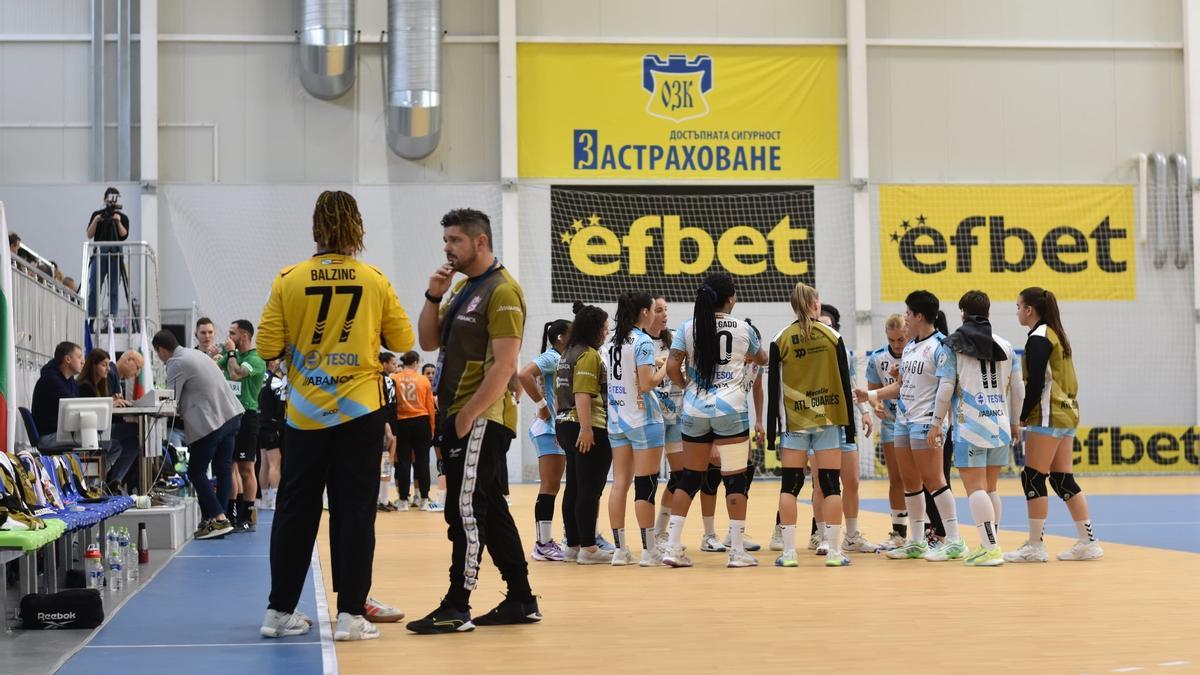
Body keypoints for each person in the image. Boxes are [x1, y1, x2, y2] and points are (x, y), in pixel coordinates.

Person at [257, 191, 413, 641]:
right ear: (357, 228)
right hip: (360, 411)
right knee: (356, 511)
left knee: (295, 510)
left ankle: (279, 611)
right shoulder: (373, 278)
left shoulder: (289, 278)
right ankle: (350, 616)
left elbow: (267, 347)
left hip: (305, 415)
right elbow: (402, 338)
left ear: (316, 227)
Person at [407, 207, 538, 634]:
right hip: (459, 416)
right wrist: (432, 295)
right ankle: (521, 598)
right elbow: (428, 341)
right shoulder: (462, 288)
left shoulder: (503, 291)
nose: (447, 248)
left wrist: (465, 417)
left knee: (463, 510)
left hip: (482, 417)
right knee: (490, 509)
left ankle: (456, 605)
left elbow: (505, 366)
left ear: (480, 242)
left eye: (455, 240)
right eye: (446, 241)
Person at [662, 273, 767, 569]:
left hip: (694, 411)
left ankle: (672, 547)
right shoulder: (744, 329)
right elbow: (762, 359)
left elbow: (672, 366)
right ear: (731, 297)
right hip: (730, 411)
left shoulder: (688, 327)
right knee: (735, 479)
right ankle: (736, 552)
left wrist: (687, 386)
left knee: (689, 478)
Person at [857, 290, 967, 561]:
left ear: (919, 316)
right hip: (904, 422)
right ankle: (916, 541)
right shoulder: (910, 346)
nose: (905, 317)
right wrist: (871, 396)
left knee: (934, 480)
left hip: (926, 421)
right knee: (910, 481)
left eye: (908, 313)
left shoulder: (941, 346)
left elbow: (947, 387)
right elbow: (901, 385)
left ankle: (955, 540)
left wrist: (937, 424)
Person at [1007, 287, 1102, 563]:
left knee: (1033, 476)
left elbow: (1035, 383)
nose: (1017, 312)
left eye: (1018, 307)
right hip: (1068, 413)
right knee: (1062, 479)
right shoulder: (1057, 334)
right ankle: (1088, 542)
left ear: (1029, 310)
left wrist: (1021, 415)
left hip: (1048, 415)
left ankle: (1035, 546)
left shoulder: (1039, 337)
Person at [765, 284, 857, 568]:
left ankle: (789, 553)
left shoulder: (781, 338)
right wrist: (849, 426)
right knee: (830, 486)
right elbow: (844, 381)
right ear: (816, 304)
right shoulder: (832, 336)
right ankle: (833, 552)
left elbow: (772, 388)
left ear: (794, 306)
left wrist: (772, 431)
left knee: (789, 486)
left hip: (794, 421)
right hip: (828, 419)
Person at [931, 290, 1024, 567]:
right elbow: (1018, 389)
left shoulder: (952, 344)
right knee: (991, 489)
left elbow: (946, 387)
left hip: (970, 426)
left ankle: (989, 548)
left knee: (975, 489)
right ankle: (991, 544)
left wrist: (936, 423)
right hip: (1000, 424)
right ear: (989, 312)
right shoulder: (1007, 346)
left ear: (962, 312)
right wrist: (1016, 422)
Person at [152, 330, 242, 541]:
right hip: (231, 415)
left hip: (212, 422)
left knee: (196, 472)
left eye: (158, 354)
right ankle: (221, 521)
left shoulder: (176, 362)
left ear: (162, 350)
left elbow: (169, 399)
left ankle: (218, 519)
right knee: (223, 470)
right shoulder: (197, 355)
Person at [603, 292, 668, 567]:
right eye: (654, 309)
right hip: (644, 420)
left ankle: (620, 551)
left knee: (619, 484)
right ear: (644, 312)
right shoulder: (642, 342)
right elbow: (647, 383)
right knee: (646, 485)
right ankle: (648, 551)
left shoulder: (611, 343)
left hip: (617, 420)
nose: (656, 314)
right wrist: (667, 366)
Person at [812, 305, 876, 556]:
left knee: (852, 481)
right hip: (817, 424)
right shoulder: (807, 353)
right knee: (821, 483)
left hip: (844, 424)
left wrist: (865, 412)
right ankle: (824, 536)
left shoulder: (845, 354)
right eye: (820, 324)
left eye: (829, 325)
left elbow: (851, 386)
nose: (825, 328)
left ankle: (851, 535)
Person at [553, 302, 612, 567]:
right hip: (585, 426)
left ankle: (573, 545)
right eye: (604, 327)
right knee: (589, 489)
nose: (607, 331)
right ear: (595, 330)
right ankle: (589, 548)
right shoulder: (587, 355)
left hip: (565, 424)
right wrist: (587, 429)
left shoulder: (566, 354)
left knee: (575, 487)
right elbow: (581, 394)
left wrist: (561, 423)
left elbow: (558, 393)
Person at [517, 319, 571, 561]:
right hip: (548, 429)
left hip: (554, 428)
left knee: (554, 486)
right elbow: (524, 374)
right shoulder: (551, 357)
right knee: (549, 487)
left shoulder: (561, 358)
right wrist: (541, 406)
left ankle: (554, 540)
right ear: (560, 337)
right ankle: (542, 544)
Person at [218, 320, 267, 533]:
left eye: (233, 333)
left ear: (245, 336)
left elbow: (237, 373)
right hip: (229, 414)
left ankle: (247, 515)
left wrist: (229, 355)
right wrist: (213, 354)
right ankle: (230, 513)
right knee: (229, 466)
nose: (229, 337)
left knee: (246, 468)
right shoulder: (232, 355)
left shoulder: (255, 359)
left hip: (247, 415)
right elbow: (214, 366)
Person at [866, 314, 910, 550]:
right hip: (892, 424)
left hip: (916, 420)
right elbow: (873, 392)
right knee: (897, 478)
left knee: (920, 478)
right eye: (892, 340)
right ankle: (899, 532)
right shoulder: (877, 358)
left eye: (900, 339)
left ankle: (927, 530)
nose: (897, 345)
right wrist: (877, 405)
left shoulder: (915, 352)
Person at [76, 348, 139, 491]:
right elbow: (92, 411)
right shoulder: (85, 386)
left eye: (108, 365)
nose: (108, 369)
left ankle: (114, 482)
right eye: (104, 365)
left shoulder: (100, 384)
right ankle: (97, 481)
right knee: (135, 430)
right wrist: (110, 403)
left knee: (133, 442)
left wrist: (111, 401)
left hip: (100, 430)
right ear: (93, 365)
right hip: (91, 431)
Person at [648, 296, 682, 550]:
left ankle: (661, 530)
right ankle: (648, 535)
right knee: (647, 478)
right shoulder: (638, 342)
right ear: (647, 313)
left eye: (665, 310)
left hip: (676, 417)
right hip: (650, 418)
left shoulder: (674, 339)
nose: (664, 314)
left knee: (680, 476)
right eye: (659, 310)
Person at [392, 351, 437, 511]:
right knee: (423, 460)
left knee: (403, 462)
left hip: (401, 422)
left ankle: (403, 500)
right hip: (421, 421)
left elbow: (391, 404)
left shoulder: (394, 378)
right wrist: (432, 426)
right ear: (416, 362)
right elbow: (430, 405)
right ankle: (424, 499)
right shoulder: (423, 379)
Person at [85, 187, 131, 318]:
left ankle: (112, 317)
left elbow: (124, 235)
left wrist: (117, 221)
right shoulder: (97, 215)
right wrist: (95, 221)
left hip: (116, 254)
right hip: (99, 253)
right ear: (105, 199)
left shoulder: (122, 217)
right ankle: (92, 317)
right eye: (110, 199)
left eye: (115, 199)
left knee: (114, 289)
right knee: (94, 287)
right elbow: (89, 234)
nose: (112, 202)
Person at [257, 360, 286, 510]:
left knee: (264, 463)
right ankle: (274, 500)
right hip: (271, 425)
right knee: (275, 463)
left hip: (261, 424)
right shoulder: (275, 381)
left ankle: (265, 498)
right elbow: (280, 405)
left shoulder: (263, 378)